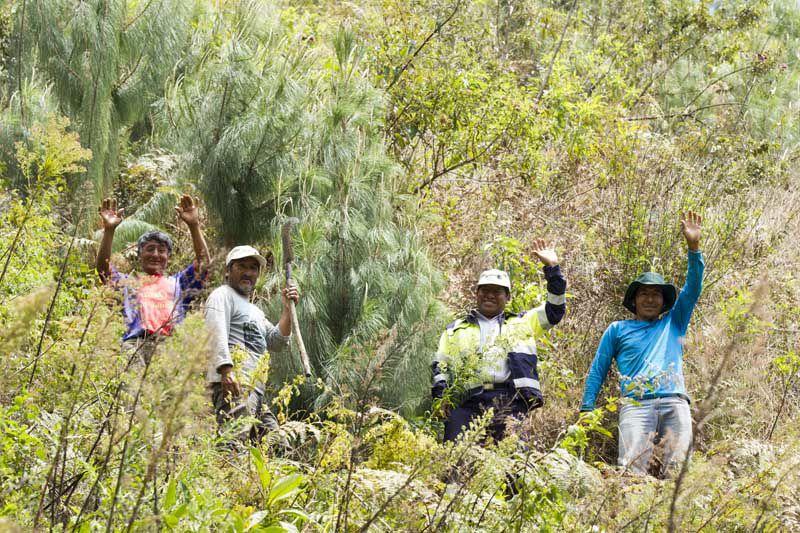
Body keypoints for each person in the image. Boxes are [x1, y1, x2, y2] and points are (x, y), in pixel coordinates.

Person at [579, 212, 704, 476]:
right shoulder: (617, 329)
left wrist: (694, 248)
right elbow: (598, 370)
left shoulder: (673, 322)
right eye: (644, 294)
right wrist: (587, 408)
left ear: (664, 301)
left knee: (677, 474)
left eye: (656, 294)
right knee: (632, 471)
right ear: (633, 300)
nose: (650, 299)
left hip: (674, 402)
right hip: (636, 406)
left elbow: (692, 289)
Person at [431, 240, 567, 443]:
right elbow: (439, 366)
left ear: (507, 296)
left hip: (509, 400)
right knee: (455, 460)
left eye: (497, 291)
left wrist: (552, 269)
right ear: (476, 293)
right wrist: (442, 398)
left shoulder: (523, 322)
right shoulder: (455, 329)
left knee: (510, 462)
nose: (490, 296)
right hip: (466, 401)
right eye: (485, 290)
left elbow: (554, 310)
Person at [96, 195, 211, 366]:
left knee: (166, 393)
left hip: (170, 347)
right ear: (140, 255)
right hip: (134, 345)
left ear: (168, 257)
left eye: (161, 251)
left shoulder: (178, 283)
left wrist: (194, 226)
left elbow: (204, 264)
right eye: (150, 249)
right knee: (130, 392)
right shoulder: (128, 283)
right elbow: (103, 269)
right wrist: (109, 231)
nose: (156, 255)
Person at [205, 245, 299, 441]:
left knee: (277, 444)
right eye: (241, 266)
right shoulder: (222, 295)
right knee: (233, 443)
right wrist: (226, 370)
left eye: (253, 268)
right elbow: (215, 331)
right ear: (228, 270)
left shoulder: (254, 311)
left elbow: (276, 342)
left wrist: (288, 310)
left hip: (256, 390)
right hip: (234, 384)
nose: (248, 272)